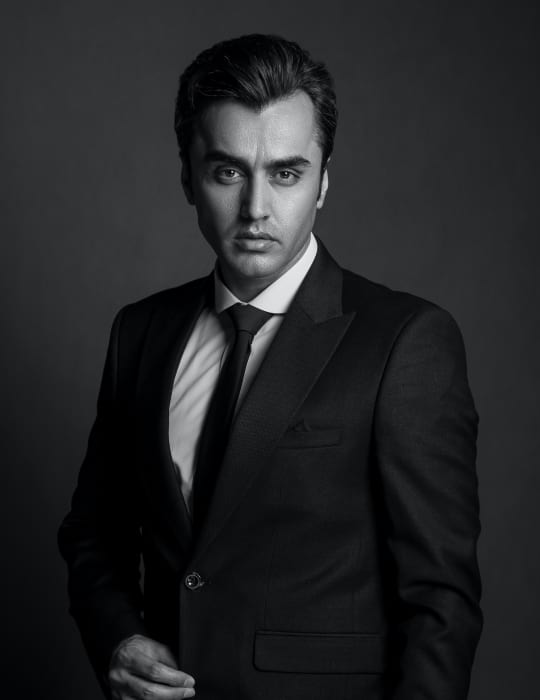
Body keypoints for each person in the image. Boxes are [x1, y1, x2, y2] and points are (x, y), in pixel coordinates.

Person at [58, 33, 482, 700]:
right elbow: (95, 534)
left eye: (286, 173)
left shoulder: (406, 340)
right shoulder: (141, 333)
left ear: (322, 182)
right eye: (228, 172)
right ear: (188, 177)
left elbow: (440, 602)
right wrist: (117, 637)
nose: (256, 208)